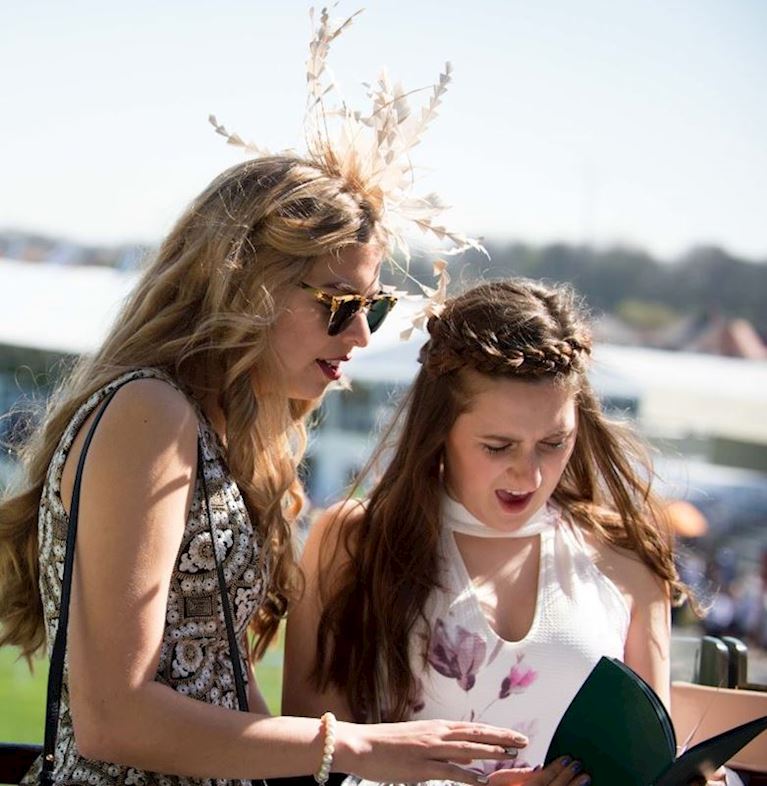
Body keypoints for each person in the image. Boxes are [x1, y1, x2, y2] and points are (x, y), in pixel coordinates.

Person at [0, 9, 534, 786]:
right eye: (340, 305)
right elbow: (113, 717)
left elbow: (228, 705)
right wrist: (357, 746)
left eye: (375, 308)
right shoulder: (148, 413)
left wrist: (414, 768)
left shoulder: (221, 435)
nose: (360, 337)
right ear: (242, 284)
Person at [283, 279, 726, 785]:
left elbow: (651, 767)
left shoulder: (626, 552)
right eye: (498, 446)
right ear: (438, 428)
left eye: (554, 443)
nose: (529, 476)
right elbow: (307, 772)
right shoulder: (355, 541)